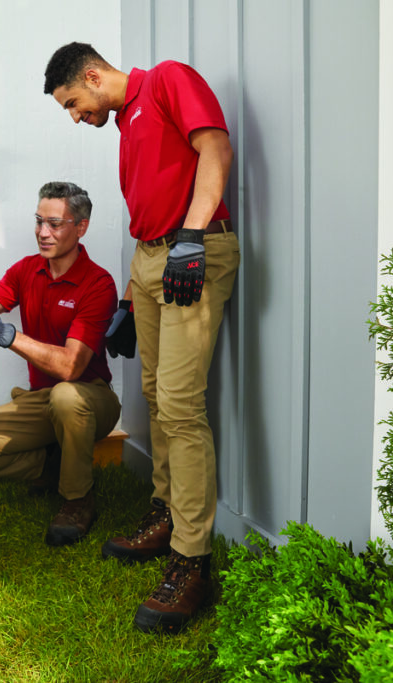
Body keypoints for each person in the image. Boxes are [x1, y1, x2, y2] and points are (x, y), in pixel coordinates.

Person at [43, 42, 241, 633]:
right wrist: (132, 291)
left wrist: (191, 236)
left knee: (181, 406)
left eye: (74, 103)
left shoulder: (167, 81)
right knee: (155, 395)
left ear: (94, 76)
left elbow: (215, 147)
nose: (76, 116)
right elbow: (146, 211)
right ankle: (164, 513)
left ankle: (191, 562)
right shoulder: (127, 123)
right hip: (152, 259)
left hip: (193, 251)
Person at [0, 181, 121, 547]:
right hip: (43, 399)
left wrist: (9, 336)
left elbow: (72, 367)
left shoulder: (98, 284)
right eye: (39, 221)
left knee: (66, 397)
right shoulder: (27, 270)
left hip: (90, 398)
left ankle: (77, 500)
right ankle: (52, 465)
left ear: (81, 226)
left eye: (55, 224)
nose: (43, 232)